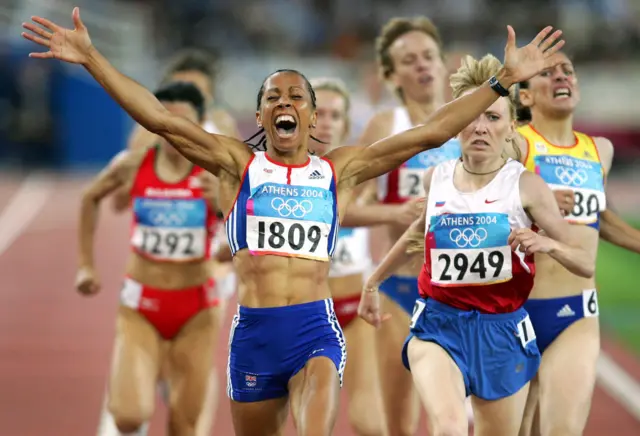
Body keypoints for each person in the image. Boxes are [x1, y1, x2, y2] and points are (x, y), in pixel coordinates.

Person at [22, 8, 564, 434]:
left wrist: (499, 84)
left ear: (309, 113)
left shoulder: (340, 170)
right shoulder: (238, 163)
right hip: (253, 334)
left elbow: (429, 134)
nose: (286, 102)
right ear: (260, 116)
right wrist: (92, 58)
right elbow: (159, 118)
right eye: (273, 96)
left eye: (296, 96)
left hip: (313, 330)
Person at [359, 53, 595, 436]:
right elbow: (417, 232)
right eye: (472, 117)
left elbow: (584, 262)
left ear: (511, 127)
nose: (480, 128)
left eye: (493, 117)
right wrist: (374, 280)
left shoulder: (527, 187)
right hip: (438, 324)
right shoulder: (439, 177)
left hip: (502, 331)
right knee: (450, 427)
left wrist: (546, 244)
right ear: (455, 126)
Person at [74, 82, 220, 436]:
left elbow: (244, 236)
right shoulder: (134, 164)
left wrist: (226, 205)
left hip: (197, 309)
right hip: (141, 304)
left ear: (200, 125)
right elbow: (90, 197)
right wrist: (86, 265)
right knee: (128, 415)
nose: (170, 131)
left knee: (184, 426)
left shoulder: (218, 173)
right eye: (162, 121)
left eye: (180, 122)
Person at [515, 52, 640, 436]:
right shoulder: (516, 144)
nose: (560, 77)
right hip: (511, 313)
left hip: (576, 313)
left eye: (567, 71)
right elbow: (485, 200)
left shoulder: (599, 150)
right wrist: (538, 197)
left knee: (562, 430)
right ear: (525, 96)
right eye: (546, 74)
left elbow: (599, 220)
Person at [357, 17, 462, 434]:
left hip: (466, 292)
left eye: (428, 56)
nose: (422, 66)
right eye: (408, 60)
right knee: (400, 421)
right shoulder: (387, 126)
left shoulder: (473, 120)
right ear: (390, 74)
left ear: (444, 63)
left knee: (452, 417)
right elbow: (343, 206)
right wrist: (393, 213)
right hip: (403, 290)